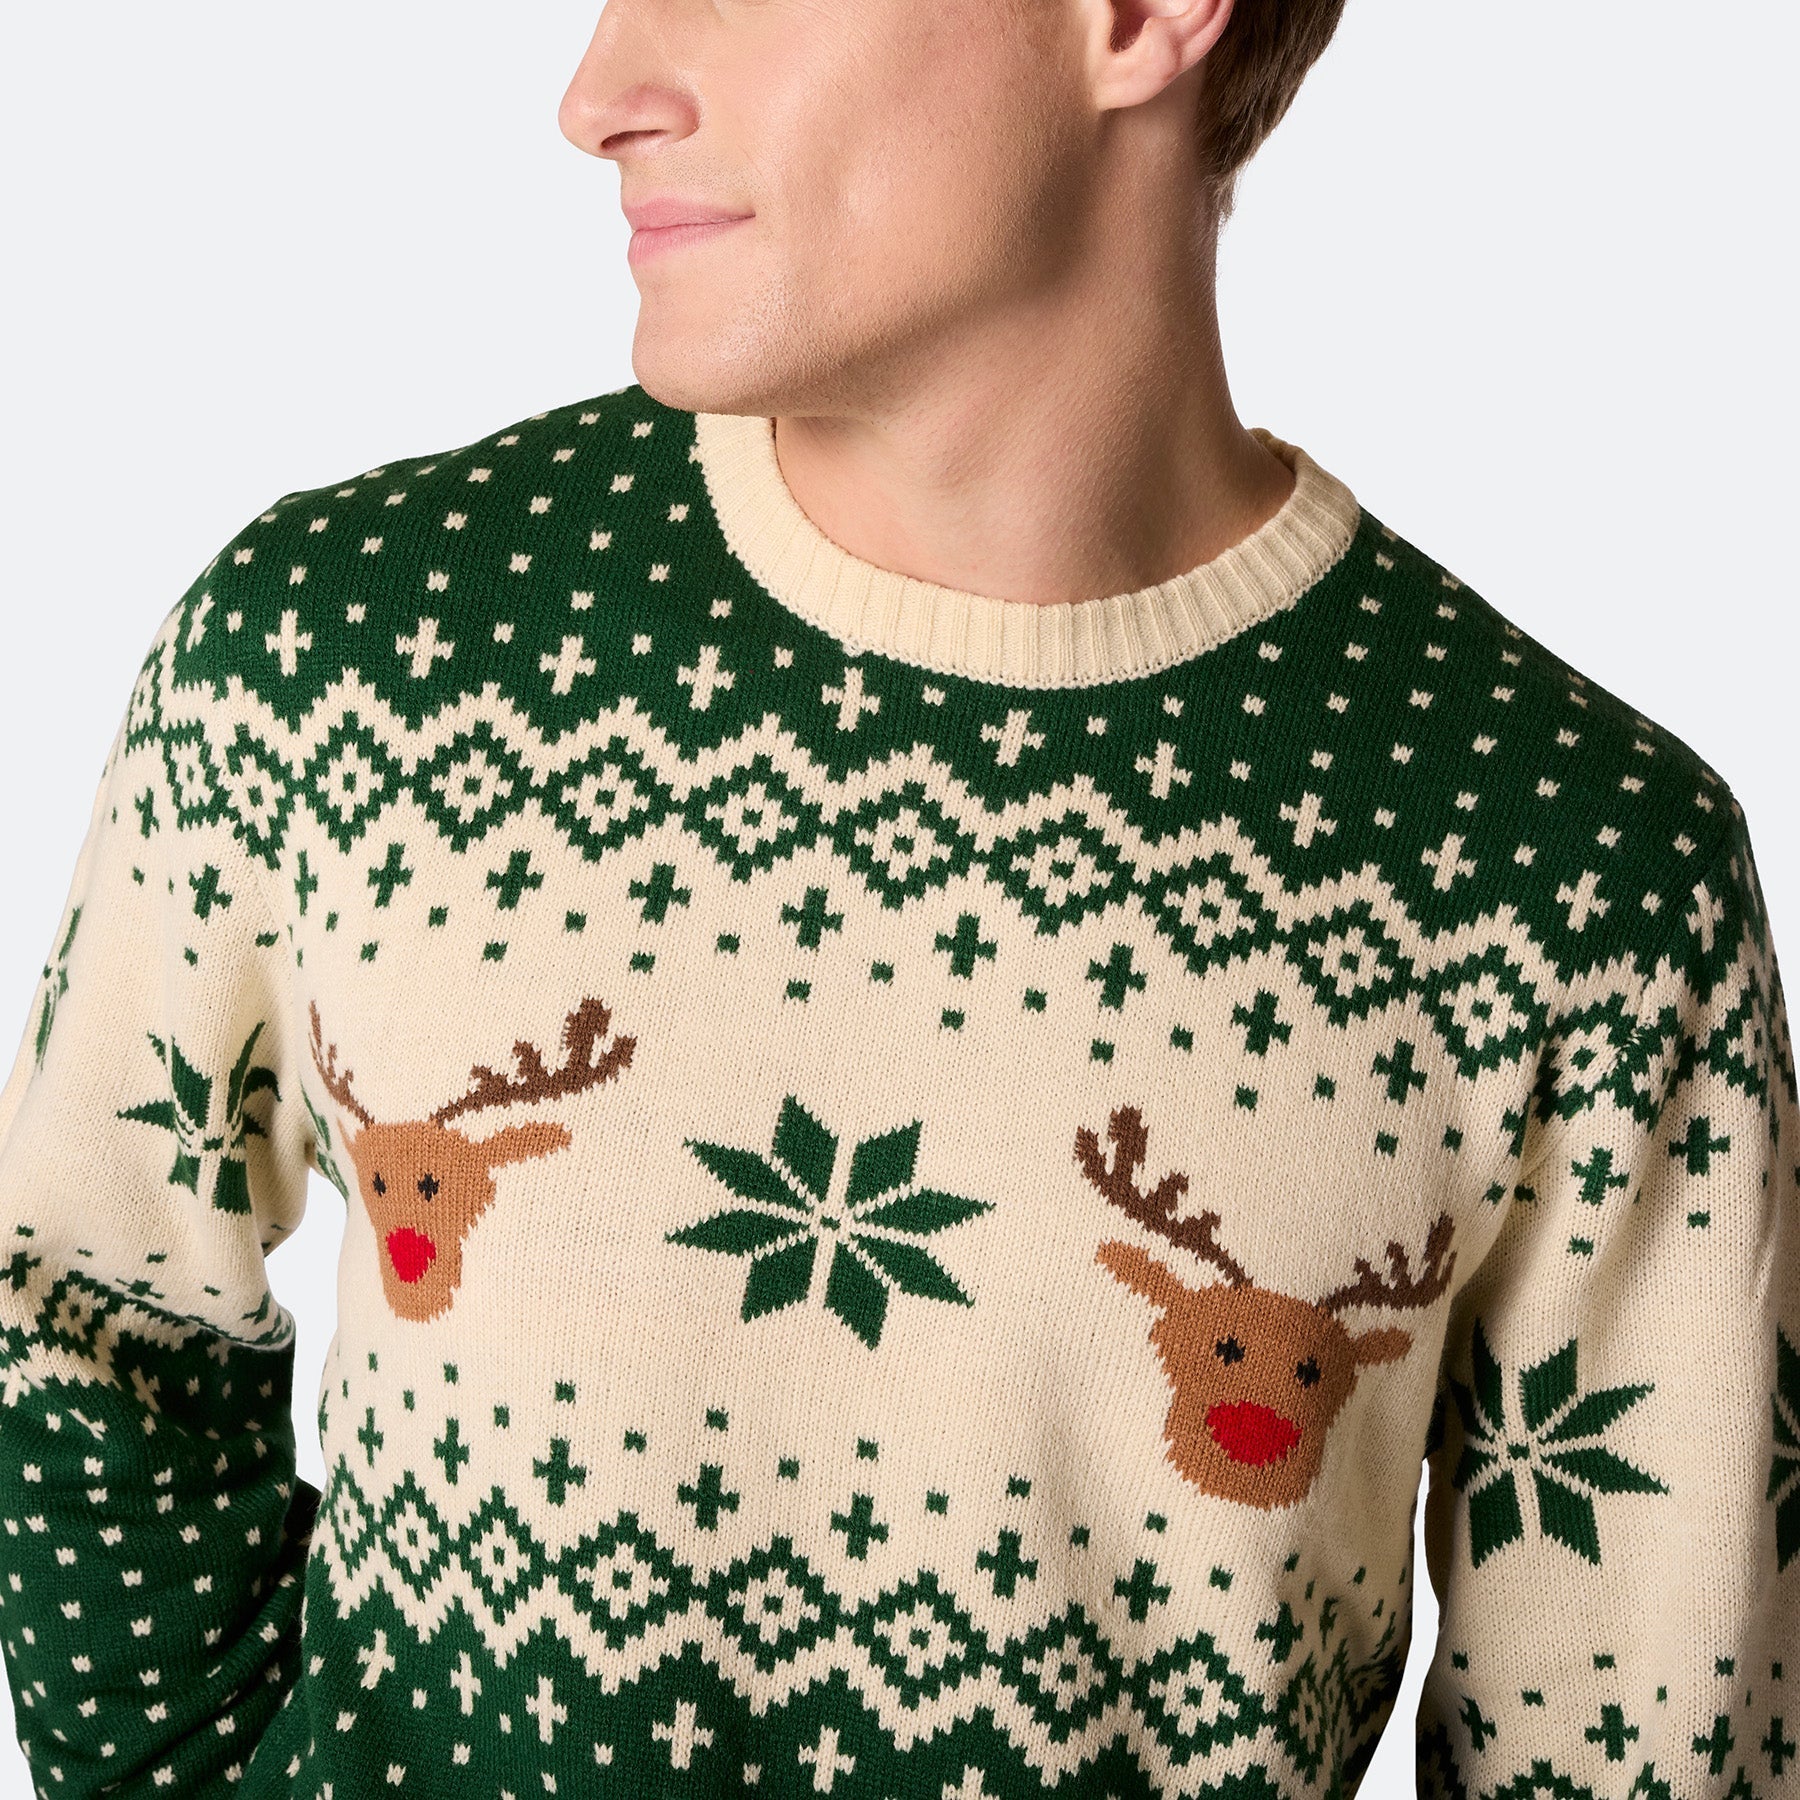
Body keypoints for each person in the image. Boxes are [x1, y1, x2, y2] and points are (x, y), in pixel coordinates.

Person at [1, 0, 1793, 1794]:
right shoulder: (344, 656)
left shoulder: (1578, 879)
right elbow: (75, 1316)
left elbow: (1649, 1735)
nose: (597, 94)